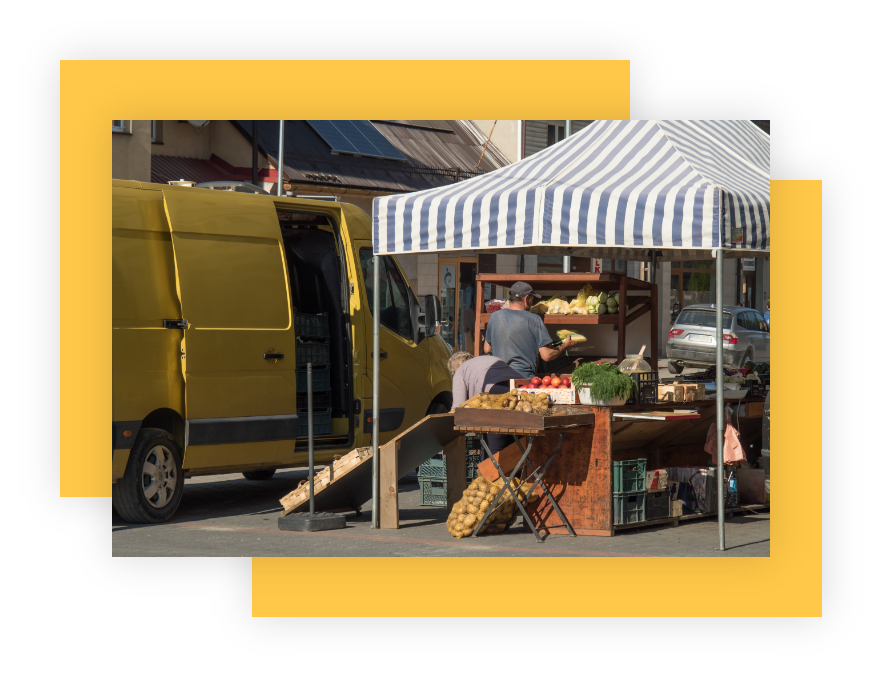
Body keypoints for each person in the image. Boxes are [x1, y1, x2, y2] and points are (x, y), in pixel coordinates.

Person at [484, 281, 574, 379]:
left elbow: (487, 349)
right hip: (522, 379)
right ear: (527, 299)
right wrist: (565, 346)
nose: (532, 303)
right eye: (532, 299)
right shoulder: (534, 319)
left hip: (498, 378)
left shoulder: (494, 317)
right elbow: (547, 355)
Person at [448, 351, 523, 461]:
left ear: (457, 366)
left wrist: (447, 440)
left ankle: (492, 476)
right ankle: (515, 476)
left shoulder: (461, 370)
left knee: (494, 450)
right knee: (517, 445)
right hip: (521, 388)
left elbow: (457, 408)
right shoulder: (487, 360)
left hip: (495, 393)